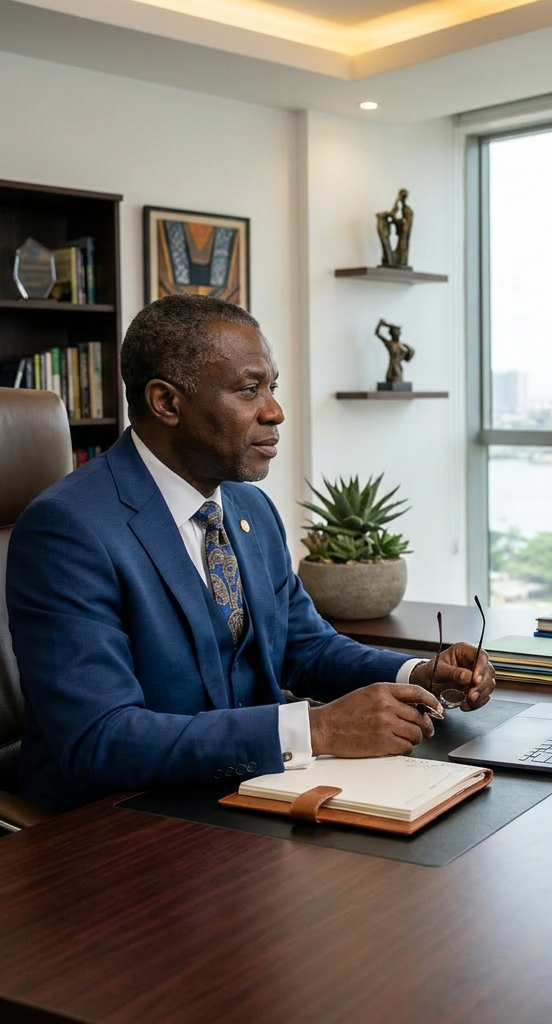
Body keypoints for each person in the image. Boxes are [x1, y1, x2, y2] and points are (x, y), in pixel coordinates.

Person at [7, 294, 494, 813]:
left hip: (245, 797)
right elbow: (100, 739)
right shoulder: (69, 528)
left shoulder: (249, 508)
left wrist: (418, 674)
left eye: (272, 386)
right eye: (249, 389)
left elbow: (306, 648)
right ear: (166, 403)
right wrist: (318, 728)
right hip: (117, 822)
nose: (275, 410)